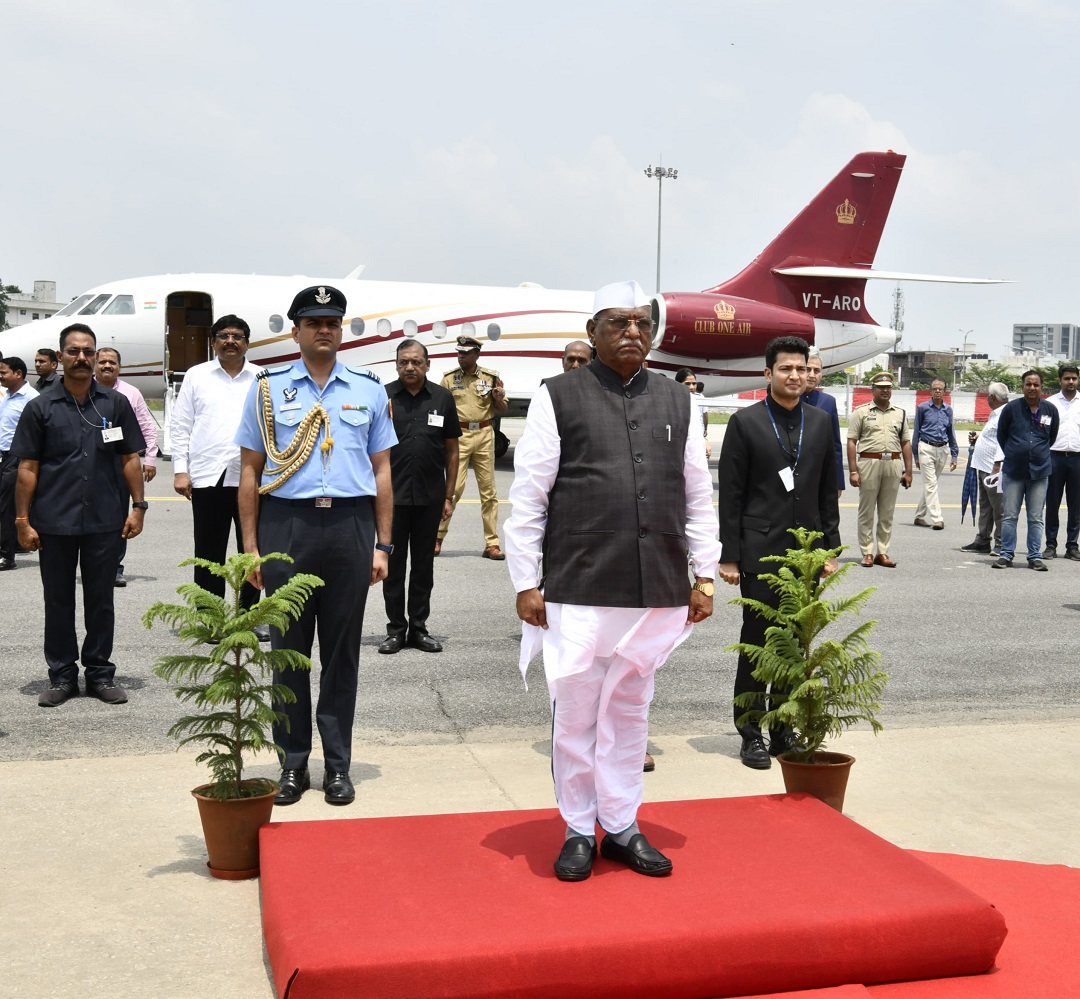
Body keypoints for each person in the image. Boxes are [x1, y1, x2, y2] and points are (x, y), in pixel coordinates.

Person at [505, 280, 720, 882]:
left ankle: (621, 825)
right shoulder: (559, 396)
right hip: (578, 582)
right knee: (575, 709)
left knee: (629, 709)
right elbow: (529, 496)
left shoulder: (681, 400)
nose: (632, 332)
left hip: (656, 584)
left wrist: (704, 574)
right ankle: (578, 828)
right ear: (594, 331)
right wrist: (527, 579)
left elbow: (699, 496)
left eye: (641, 323)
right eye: (618, 322)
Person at [236, 285, 397, 807]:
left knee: (342, 653)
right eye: (313, 322)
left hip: (349, 527)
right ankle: (291, 763)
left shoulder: (369, 389)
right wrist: (252, 548)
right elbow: (250, 471)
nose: (324, 329)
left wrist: (384, 545)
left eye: (332, 321)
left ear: (340, 328)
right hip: (288, 527)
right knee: (288, 651)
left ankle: (338, 766)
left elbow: (382, 472)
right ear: (296, 331)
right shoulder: (267, 389)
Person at [717, 336, 841, 769]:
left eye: (801, 369)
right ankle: (750, 731)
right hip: (758, 552)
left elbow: (828, 492)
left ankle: (782, 728)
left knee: (793, 644)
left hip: (804, 554)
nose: (795, 376)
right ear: (768, 374)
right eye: (785, 369)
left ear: (810, 374)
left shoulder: (821, 422)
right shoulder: (745, 422)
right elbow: (730, 494)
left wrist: (829, 548)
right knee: (758, 642)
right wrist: (729, 556)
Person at [11, 324, 147, 707]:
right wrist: (22, 521)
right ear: (60, 357)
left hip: (105, 519)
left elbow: (129, 458)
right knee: (57, 600)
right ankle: (62, 676)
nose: (82, 358)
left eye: (88, 351)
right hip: (54, 521)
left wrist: (138, 506)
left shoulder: (114, 404)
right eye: (74, 351)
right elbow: (27, 468)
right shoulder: (40, 407)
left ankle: (100, 673)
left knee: (101, 599)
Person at [171, 315, 263, 617]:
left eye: (238, 336)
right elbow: (181, 425)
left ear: (247, 343)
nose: (231, 341)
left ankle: (248, 617)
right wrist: (180, 469)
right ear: (213, 342)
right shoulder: (197, 375)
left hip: (252, 478)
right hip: (208, 475)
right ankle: (209, 617)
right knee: (208, 553)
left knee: (250, 552)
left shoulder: (262, 378)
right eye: (223, 335)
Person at [379, 339, 461, 654]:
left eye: (416, 361)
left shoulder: (443, 398)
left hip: (430, 497)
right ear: (396, 365)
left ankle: (419, 628)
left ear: (427, 364)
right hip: (391, 499)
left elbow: (452, 449)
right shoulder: (383, 396)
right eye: (404, 362)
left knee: (424, 566)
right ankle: (396, 631)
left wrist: (449, 494)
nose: (409, 367)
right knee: (394, 566)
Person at [435, 335, 508, 559]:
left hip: (485, 433)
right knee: (453, 490)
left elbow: (503, 409)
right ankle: (436, 538)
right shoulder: (449, 379)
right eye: (459, 353)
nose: (461, 357)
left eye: (466, 354)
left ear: (477, 354)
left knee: (489, 492)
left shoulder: (491, 378)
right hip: (459, 435)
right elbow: (439, 408)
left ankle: (492, 544)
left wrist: (497, 399)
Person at [94, 347, 158, 586]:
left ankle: (114, 567)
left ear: (119, 366)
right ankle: (90, 564)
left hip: (121, 462)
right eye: (102, 362)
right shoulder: (84, 390)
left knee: (119, 517)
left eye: (112, 362)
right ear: (94, 364)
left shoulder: (131, 393)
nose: (107, 366)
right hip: (88, 462)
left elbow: (146, 426)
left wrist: (150, 459)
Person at [993, 370, 1059, 570]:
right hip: (1014, 471)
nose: (1032, 388)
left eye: (1036, 385)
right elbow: (1002, 436)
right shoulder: (1011, 409)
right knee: (1010, 515)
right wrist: (1015, 453)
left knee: (1036, 517)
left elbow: (1051, 437)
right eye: (1028, 384)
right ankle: (1006, 554)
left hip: (1039, 471)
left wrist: (1036, 452)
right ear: (1022, 387)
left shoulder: (1050, 410)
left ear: (1041, 387)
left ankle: (1034, 556)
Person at [847, 372, 913, 567]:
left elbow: (906, 443)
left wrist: (908, 471)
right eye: (881, 387)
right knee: (866, 510)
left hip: (892, 463)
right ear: (873, 390)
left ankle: (882, 552)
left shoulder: (899, 413)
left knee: (887, 511)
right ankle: (867, 552)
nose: (885, 391)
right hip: (868, 462)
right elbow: (852, 441)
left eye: (888, 387)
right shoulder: (861, 412)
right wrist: (853, 471)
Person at [0, 357, 39, 570]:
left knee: (7, 507)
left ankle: (7, 556)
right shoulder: (7, 396)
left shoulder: (32, 399)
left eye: (3, 372)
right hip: (3, 456)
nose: (0, 376)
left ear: (18, 373)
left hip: (18, 457)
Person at [961, 382, 1009, 557]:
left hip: (994, 469)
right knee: (986, 507)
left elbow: (1004, 442)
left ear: (992, 398)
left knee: (999, 508)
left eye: (988, 395)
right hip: (984, 467)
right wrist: (979, 437)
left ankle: (1002, 543)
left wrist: (997, 466)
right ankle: (982, 540)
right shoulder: (996, 414)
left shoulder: (1005, 415)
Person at [1042, 364, 1080, 560]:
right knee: (1053, 502)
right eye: (1067, 378)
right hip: (1054, 457)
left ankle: (1072, 545)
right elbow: (1041, 432)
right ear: (1060, 381)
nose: (1071, 382)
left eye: (1074, 378)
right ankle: (1050, 545)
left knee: (1076, 505)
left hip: (1077, 459)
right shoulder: (1050, 403)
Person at [912, 379, 958, 530]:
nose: (937, 391)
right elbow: (916, 432)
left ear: (945, 391)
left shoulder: (948, 410)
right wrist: (916, 456)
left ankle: (919, 516)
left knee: (931, 484)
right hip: (926, 447)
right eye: (934, 389)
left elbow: (951, 433)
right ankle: (937, 518)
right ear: (931, 391)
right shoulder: (922, 408)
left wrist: (955, 455)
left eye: (940, 389)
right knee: (931, 484)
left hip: (942, 449)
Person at [804, 348, 844, 496]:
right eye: (808, 369)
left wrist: (838, 481)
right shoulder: (789, 398)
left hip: (820, 474)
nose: (812, 375)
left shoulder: (828, 402)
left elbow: (835, 444)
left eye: (817, 370)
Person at [674, 367, 712, 460]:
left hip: (696, 448)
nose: (691, 387)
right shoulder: (673, 403)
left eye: (694, 383)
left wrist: (704, 440)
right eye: (687, 384)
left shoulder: (696, 401)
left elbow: (699, 423)